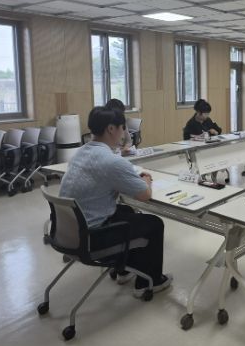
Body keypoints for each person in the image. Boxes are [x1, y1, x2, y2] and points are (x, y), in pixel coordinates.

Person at [59, 106, 172, 297]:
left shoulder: (80, 153)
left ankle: (124, 270)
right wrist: (146, 179)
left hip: (68, 231)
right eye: (123, 127)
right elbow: (144, 195)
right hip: (92, 236)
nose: (124, 133)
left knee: (126, 211)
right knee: (154, 223)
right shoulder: (111, 161)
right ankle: (149, 282)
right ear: (111, 129)